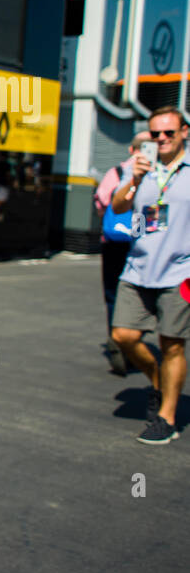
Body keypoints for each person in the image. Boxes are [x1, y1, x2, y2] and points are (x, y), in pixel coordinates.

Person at [109, 107, 190, 444]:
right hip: (139, 268)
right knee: (123, 336)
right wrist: (135, 180)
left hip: (181, 271)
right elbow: (117, 206)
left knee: (172, 345)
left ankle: (166, 417)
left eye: (168, 133)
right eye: (155, 134)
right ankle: (157, 378)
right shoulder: (142, 167)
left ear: (185, 132)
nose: (161, 139)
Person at [95, 130, 152, 375]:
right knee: (141, 292)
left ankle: (119, 342)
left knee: (112, 293)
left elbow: (102, 202)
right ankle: (133, 339)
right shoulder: (159, 173)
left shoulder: (117, 172)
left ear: (131, 149)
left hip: (114, 242)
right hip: (142, 244)